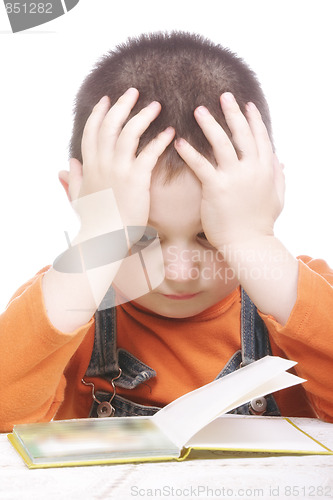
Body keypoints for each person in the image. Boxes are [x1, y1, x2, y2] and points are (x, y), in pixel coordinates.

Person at [0, 32, 332, 432]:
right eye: (139, 237)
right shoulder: (67, 298)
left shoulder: (299, 296)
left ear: (267, 194)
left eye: (211, 236)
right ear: (79, 199)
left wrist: (253, 240)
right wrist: (100, 232)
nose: (178, 272)